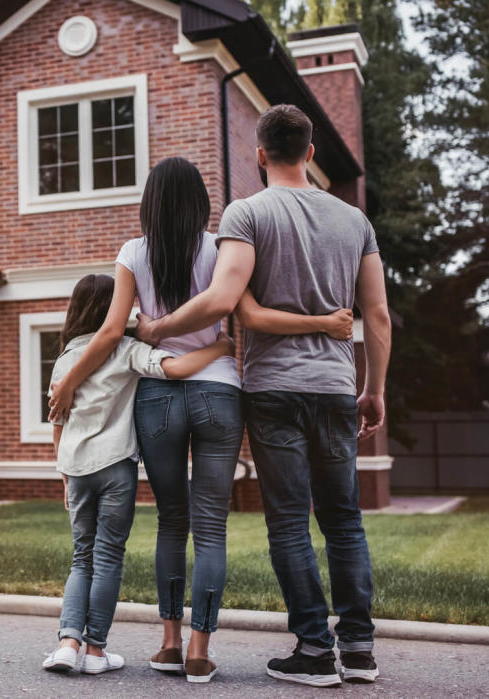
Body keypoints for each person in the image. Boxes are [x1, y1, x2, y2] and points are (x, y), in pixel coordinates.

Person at [48, 157, 354, 684]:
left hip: (158, 397)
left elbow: (109, 333)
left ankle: (167, 644)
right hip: (218, 391)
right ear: (201, 204)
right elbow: (245, 310)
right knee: (211, 527)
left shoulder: (132, 253)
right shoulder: (222, 248)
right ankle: (198, 651)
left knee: (172, 520)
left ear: (149, 202)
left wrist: (72, 379)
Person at [133, 105, 392, 687]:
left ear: (259, 155)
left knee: (291, 525)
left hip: (273, 389)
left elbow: (225, 300)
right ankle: (359, 649)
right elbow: (376, 312)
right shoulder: (355, 221)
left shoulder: (247, 214)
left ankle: (314, 651)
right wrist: (373, 388)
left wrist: (158, 328)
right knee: (345, 520)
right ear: (311, 151)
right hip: (333, 388)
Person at [41, 273, 235, 676]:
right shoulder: (127, 350)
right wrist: (220, 347)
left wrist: (64, 477)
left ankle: (66, 643)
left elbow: (57, 423)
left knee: (82, 558)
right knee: (108, 557)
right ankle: (95, 652)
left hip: (76, 471)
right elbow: (178, 368)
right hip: (116, 470)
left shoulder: (64, 360)